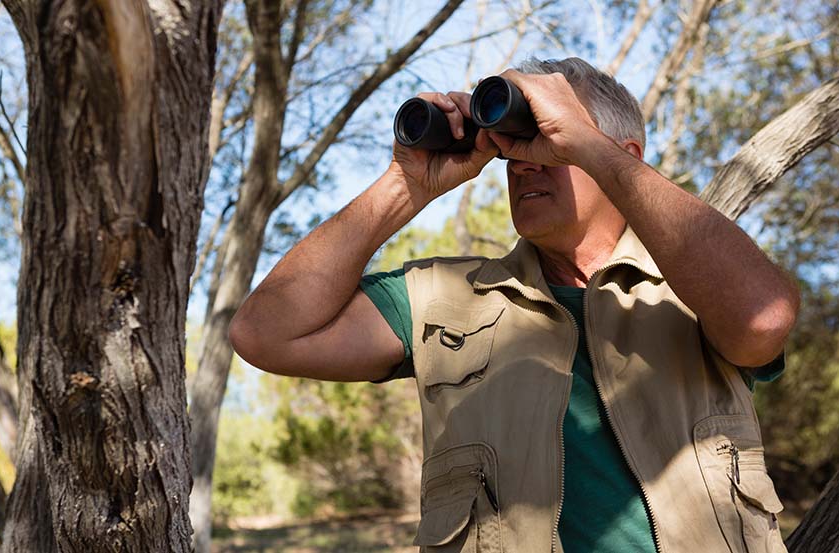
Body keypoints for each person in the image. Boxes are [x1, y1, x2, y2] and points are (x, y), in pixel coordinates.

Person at [228, 57, 798, 553]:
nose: (525, 162)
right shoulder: (444, 298)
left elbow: (764, 319)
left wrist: (593, 151)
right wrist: (405, 184)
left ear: (619, 155)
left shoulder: (695, 287)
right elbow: (265, 333)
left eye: (552, 141)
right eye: (516, 147)